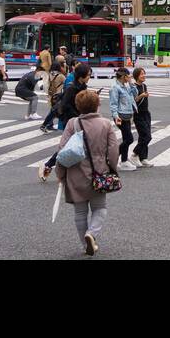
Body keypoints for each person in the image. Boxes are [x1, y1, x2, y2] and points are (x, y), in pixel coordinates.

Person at [55, 88, 120, 256]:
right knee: (100, 208)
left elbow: (62, 151)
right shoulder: (105, 124)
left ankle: (86, 245)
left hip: (76, 172)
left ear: (78, 106)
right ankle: (91, 233)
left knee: (80, 211)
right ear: (97, 105)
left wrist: (60, 174)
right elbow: (113, 150)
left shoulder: (72, 123)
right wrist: (112, 168)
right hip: (99, 172)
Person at [108, 68, 137, 169]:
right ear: (123, 76)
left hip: (128, 114)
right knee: (129, 139)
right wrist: (116, 116)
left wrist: (132, 84)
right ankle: (111, 158)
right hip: (121, 116)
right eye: (128, 76)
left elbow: (135, 94)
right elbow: (113, 104)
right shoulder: (115, 87)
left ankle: (124, 161)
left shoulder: (126, 85)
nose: (129, 77)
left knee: (126, 138)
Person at [128, 67, 153, 168]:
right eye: (141, 74)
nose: (143, 75)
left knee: (143, 137)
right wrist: (141, 96)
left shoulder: (144, 86)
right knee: (147, 136)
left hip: (146, 113)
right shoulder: (133, 87)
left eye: (144, 73)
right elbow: (132, 101)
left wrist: (144, 95)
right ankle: (134, 154)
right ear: (136, 76)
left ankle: (143, 158)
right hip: (138, 114)